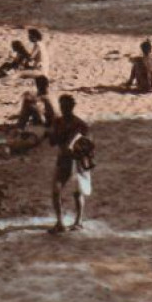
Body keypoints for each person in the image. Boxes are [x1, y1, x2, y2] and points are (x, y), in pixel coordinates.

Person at [48, 94, 91, 233]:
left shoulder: (79, 125)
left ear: (71, 107)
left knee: (76, 193)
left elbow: (87, 146)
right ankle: (61, 222)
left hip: (76, 161)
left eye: (66, 106)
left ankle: (76, 221)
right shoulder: (62, 123)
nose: (64, 108)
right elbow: (52, 142)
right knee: (57, 191)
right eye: (63, 106)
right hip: (64, 160)